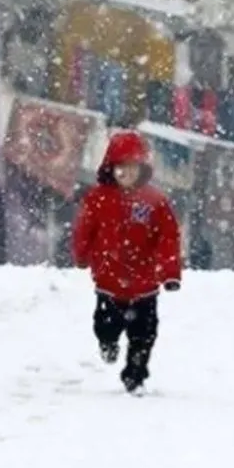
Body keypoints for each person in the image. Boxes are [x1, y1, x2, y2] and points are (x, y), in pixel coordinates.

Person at [72, 129, 182, 395]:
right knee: (105, 325)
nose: (126, 174)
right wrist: (81, 254)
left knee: (143, 335)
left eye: (132, 168)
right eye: (120, 168)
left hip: (145, 285)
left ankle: (135, 375)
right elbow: (84, 229)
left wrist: (169, 272)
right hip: (109, 281)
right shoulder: (98, 199)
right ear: (111, 169)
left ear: (142, 169)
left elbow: (168, 237)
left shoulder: (155, 202)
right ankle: (108, 343)